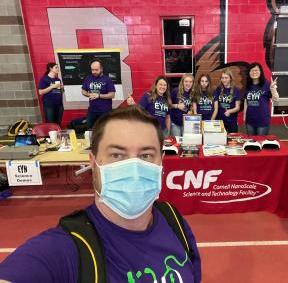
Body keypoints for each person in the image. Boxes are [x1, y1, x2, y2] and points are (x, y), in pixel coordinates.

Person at [0, 105, 202, 282]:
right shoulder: (63, 250)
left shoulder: (173, 220)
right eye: (117, 155)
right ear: (93, 162)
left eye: (146, 155)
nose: (133, 167)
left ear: (161, 161)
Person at [243, 62, 279, 135]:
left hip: (262, 120)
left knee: (261, 142)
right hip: (250, 120)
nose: (254, 72)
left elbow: (276, 99)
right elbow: (246, 102)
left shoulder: (267, 84)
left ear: (261, 72)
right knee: (251, 142)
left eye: (256, 70)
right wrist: (244, 116)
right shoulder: (248, 85)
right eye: (252, 70)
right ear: (249, 73)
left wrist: (273, 89)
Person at [81, 60, 116, 129]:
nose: (94, 72)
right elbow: (83, 91)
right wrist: (89, 95)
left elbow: (112, 95)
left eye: (96, 70)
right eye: (92, 70)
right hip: (92, 110)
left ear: (101, 69)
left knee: (104, 130)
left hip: (105, 111)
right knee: (89, 130)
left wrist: (99, 95)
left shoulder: (107, 80)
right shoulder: (88, 78)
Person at [211, 69, 242, 133]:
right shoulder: (218, 89)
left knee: (232, 142)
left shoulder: (236, 90)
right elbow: (216, 107)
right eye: (222, 78)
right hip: (220, 121)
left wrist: (230, 111)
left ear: (230, 78)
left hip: (232, 121)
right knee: (220, 141)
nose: (224, 80)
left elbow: (237, 107)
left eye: (226, 78)